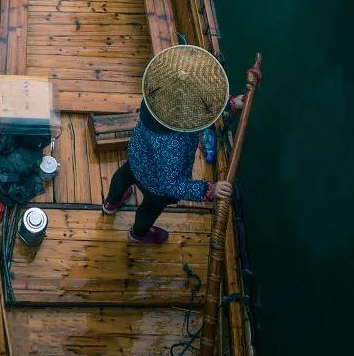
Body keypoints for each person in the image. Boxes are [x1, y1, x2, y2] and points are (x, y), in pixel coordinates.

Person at [102, 47, 261, 245]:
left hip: (137, 157)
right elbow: (172, 185)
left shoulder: (155, 101)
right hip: (157, 187)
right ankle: (138, 233)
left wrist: (229, 104)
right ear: (187, 115)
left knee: (122, 176)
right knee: (149, 209)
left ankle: (111, 202)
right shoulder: (175, 143)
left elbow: (197, 105)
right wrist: (208, 189)